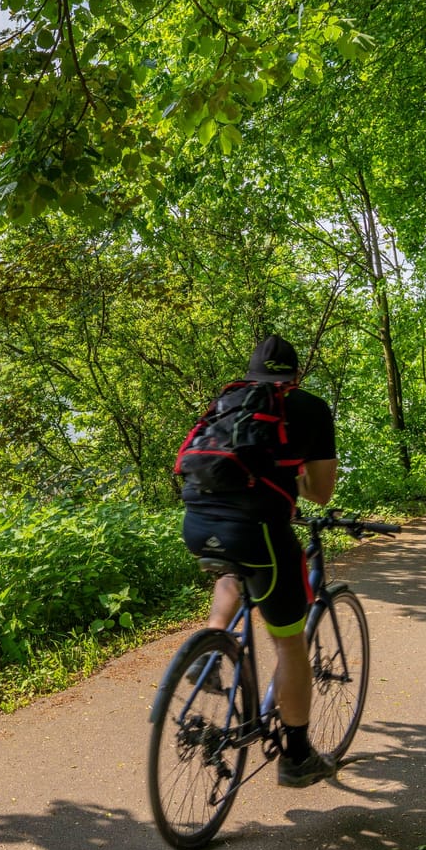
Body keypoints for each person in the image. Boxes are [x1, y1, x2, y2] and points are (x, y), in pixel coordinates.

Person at [180, 334, 340, 788]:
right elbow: (321, 492)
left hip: (198, 522)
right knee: (289, 642)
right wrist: (296, 477)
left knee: (235, 565)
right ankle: (296, 757)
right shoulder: (308, 408)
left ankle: (210, 648)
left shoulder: (228, 401)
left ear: (252, 373)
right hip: (259, 533)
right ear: (296, 375)